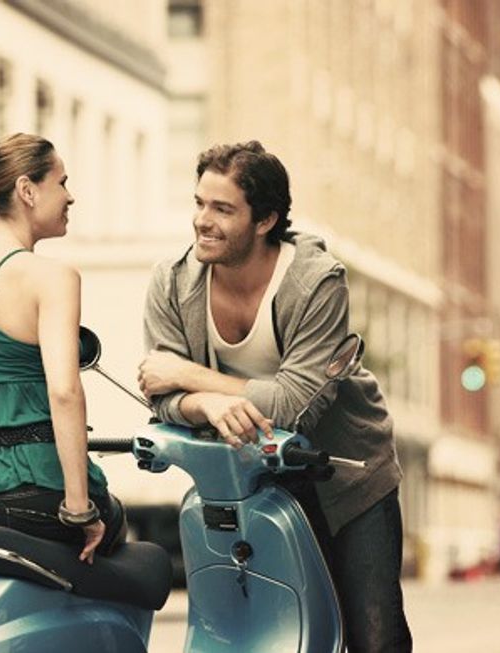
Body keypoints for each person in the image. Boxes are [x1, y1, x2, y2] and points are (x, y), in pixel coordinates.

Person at [138, 141, 412, 651]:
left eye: (222, 209)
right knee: (266, 631)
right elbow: (160, 398)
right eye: (199, 203)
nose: (203, 220)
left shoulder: (314, 281)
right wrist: (206, 404)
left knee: (374, 635)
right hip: (247, 480)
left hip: (344, 475)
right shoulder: (174, 283)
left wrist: (187, 373)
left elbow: (295, 406)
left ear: (265, 220)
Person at [0, 132, 126, 564]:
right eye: (62, 182)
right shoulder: (52, 278)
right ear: (27, 190)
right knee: (124, 549)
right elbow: (64, 392)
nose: (70, 196)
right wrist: (79, 508)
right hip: (37, 492)